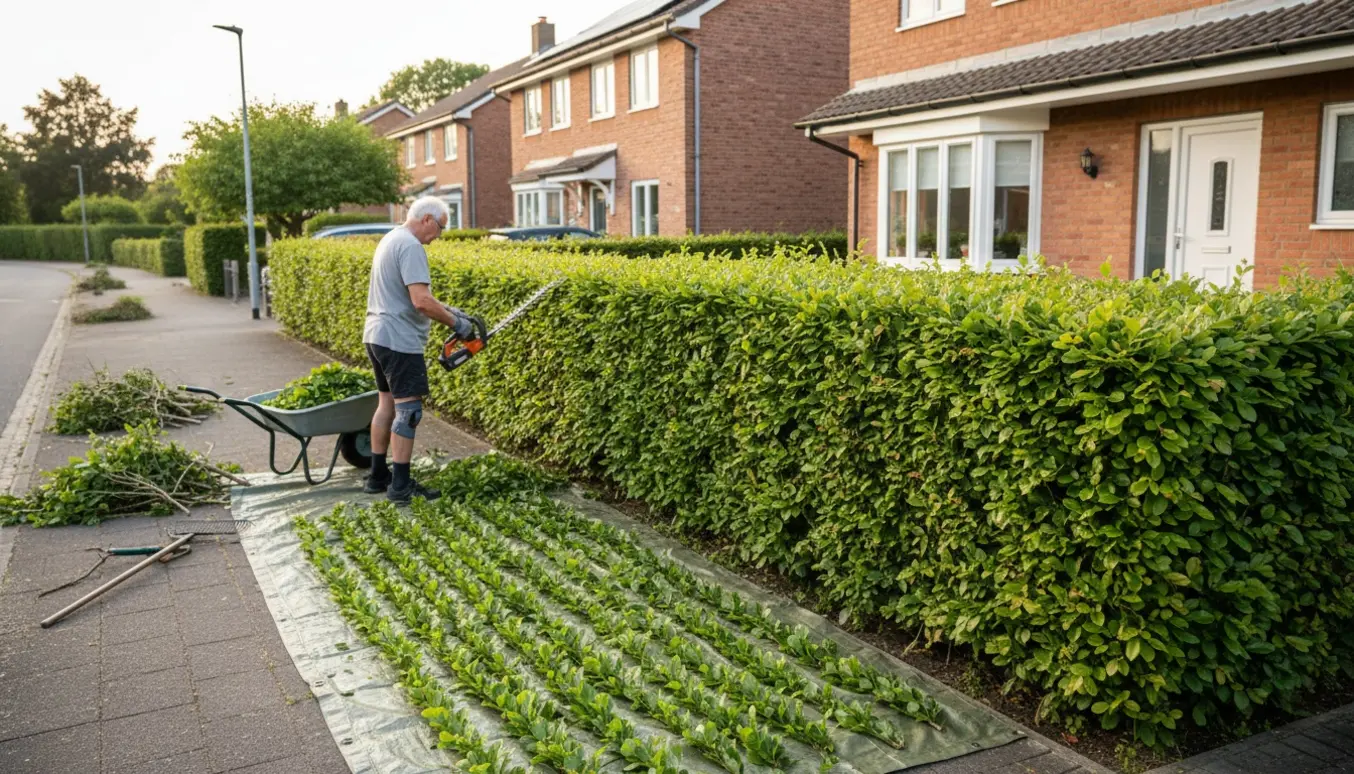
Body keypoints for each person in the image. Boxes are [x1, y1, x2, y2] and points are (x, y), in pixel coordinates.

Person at [362, 196, 480, 504]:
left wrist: (451, 310)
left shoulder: (391, 238)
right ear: (427, 219)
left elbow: (413, 295)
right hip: (399, 340)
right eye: (440, 228)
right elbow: (420, 301)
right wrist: (459, 325)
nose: (438, 236)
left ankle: (378, 476)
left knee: (386, 405)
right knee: (408, 412)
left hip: (376, 335)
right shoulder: (412, 246)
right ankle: (400, 485)